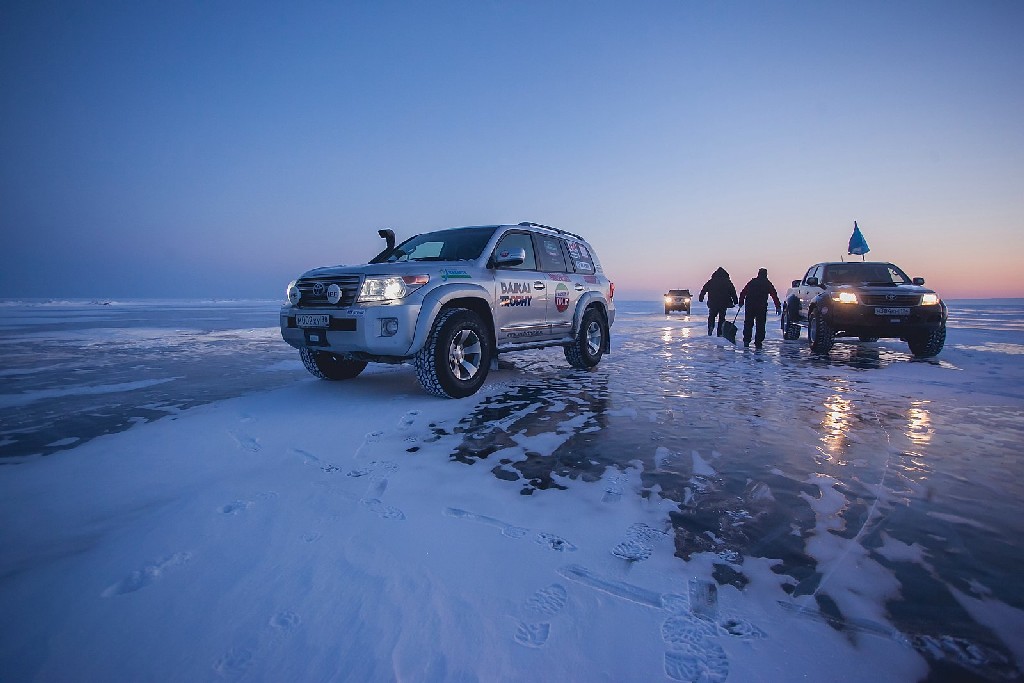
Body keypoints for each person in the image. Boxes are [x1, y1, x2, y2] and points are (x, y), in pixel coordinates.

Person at [738, 268, 781, 349]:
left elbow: (743, 292)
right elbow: (774, 295)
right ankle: (758, 342)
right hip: (761, 307)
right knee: (760, 325)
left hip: (750, 306)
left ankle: (746, 341)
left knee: (748, 323)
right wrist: (778, 306)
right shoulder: (767, 283)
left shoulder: (752, 282)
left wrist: (741, 302)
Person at [698, 267, 738, 336]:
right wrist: (736, 301)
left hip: (713, 302)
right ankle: (719, 332)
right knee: (722, 317)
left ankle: (710, 327)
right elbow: (733, 292)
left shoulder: (711, 281)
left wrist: (701, 297)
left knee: (712, 316)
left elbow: (704, 289)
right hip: (723, 303)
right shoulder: (727, 282)